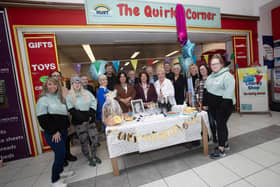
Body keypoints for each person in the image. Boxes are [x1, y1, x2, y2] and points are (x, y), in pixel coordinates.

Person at [36, 77, 74, 187]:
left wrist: (66, 126)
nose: (53, 86)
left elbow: (63, 115)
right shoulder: (42, 100)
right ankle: (55, 180)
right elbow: (43, 119)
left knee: (62, 154)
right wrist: (54, 132)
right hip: (53, 133)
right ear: (45, 86)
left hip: (63, 131)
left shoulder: (59, 98)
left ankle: (61, 171)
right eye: (50, 84)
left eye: (55, 84)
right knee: (60, 153)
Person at [66, 76, 101, 166]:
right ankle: (88, 157)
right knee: (84, 141)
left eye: (78, 82)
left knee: (95, 139)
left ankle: (94, 155)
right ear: (72, 84)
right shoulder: (69, 96)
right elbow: (71, 109)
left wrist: (91, 114)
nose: (77, 84)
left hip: (90, 120)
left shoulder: (87, 93)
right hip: (79, 122)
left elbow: (94, 102)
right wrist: (83, 118)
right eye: (75, 83)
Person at [205, 54, 235, 158]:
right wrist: (205, 104)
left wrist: (221, 110)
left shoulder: (228, 76)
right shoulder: (210, 77)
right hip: (213, 107)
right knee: (221, 124)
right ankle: (225, 143)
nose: (214, 66)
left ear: (221, 64)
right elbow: (206, 90)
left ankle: (221, 149)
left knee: (220, 125)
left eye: (216, 63)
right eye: (212, 64)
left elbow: (229, 93)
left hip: (225, 105)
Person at [49, 71, 77, 166]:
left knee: (67, 137)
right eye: (54, 76)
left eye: (58, 76)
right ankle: (62, 158)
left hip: (66, 117)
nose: (56, 77)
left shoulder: (65, 89)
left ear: (61, 77)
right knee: (59, 140)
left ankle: (68, 154)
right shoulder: (49, 90)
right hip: (55, 119)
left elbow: (70, 101)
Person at [195, 64, 217, 143]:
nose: (202, 71)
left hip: (210, 104)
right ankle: (206, 137)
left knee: (211, 122)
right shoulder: (198, 81)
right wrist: (199, 105)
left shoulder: (211, 79)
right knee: (203, 123)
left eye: (203, 69)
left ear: (207, 69)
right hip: (201, 105)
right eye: (201, 70)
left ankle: (214, 136)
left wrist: (208, 105)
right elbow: (196, 93)